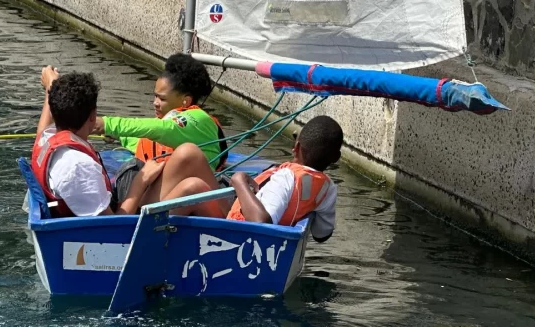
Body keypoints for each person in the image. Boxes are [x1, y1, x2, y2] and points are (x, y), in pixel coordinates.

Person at [31, 66, 226, 218]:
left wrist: (52, 88)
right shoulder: (79, 166)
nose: (155, 102)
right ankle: (235, 223)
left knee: (188, 161)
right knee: (193, 183)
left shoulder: (47, 140)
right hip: (126, 227)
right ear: (93, 116)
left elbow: (42, 130)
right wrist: (141, 181)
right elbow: (112, 227)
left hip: (120, 206)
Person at [94, 53, 228, 168]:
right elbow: (141, 142)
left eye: (162, 99)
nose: (155, 103)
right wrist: (117, 134)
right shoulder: (167, 121)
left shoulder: (198, 120)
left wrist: (107, 124)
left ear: (185, 101)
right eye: (155, 96)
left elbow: (162, 129)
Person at [225, 116, 342, 242]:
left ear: (296, 147)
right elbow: (321, 234)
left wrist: (239, 181)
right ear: (336, 158)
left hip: (237, 239)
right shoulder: (327, 188)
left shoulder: (286, 177)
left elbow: (260, 223)